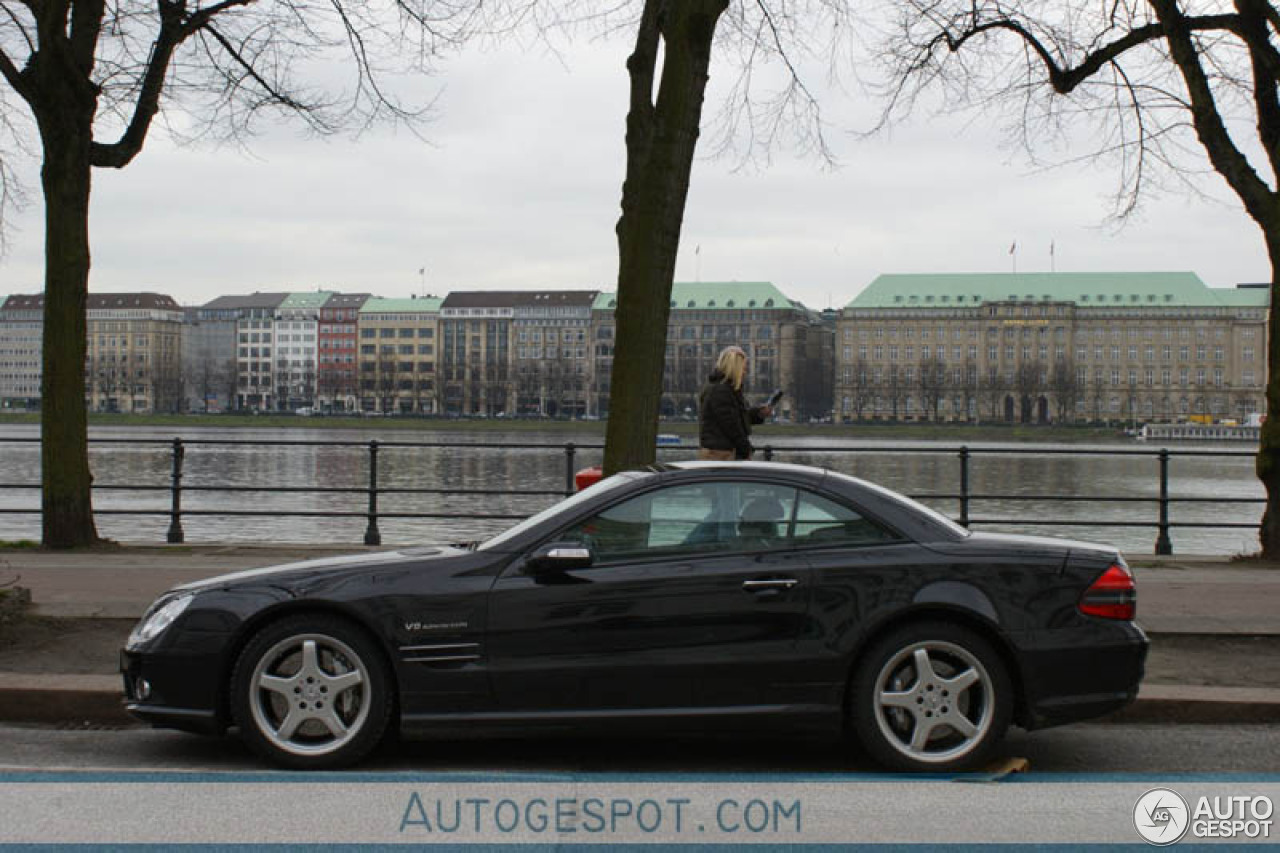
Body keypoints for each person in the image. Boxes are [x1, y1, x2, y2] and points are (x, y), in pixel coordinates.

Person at [697, 345, 773, 460]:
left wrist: (758, 413)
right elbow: (731, 425)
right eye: (743, 368)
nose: (745, 372)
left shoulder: (725, 389)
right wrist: (745, 449)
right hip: (722, 453)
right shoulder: (721, 390)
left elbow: (736, 417)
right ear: (735, 368)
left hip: (723, 451)